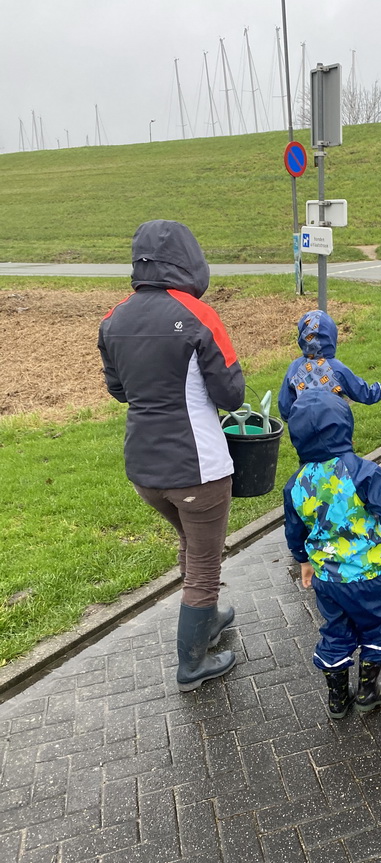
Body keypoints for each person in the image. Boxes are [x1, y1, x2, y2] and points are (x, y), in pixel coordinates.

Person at [97, 219, 246, 692]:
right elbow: (233, 394)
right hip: (197, 468)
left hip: (144, 471)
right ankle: (192, 665)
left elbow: (119, 390)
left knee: (191, 542)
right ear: (189, 259)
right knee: (204, 565)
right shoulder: (199, 315)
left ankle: (209, 617)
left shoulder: (114, 318)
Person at [283, 390, 381, 719]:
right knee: (378, 625)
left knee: (336, 631)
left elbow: (294, 530)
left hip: (327, 579)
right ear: (344, 425)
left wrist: (303, 560)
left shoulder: (296, 483)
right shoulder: (361, 471)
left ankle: (337, 698)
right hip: (367, 575)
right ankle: (367, 689)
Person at [278, 308, 381, 421]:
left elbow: (285, 407)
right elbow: (366, 394)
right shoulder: (336, 370)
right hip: (334, 429)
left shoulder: (295, 368)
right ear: (331, 336)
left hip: (303, 432)